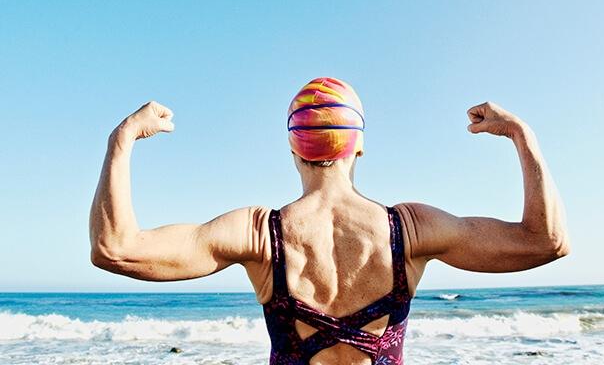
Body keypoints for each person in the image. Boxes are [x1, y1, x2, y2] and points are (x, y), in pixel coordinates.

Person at [89, 77, 569, 365]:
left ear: (293, 147)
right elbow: (545, 242)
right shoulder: (412, 229)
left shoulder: (258, 234)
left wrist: (122, 139)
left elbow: (115, 248)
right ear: (359, 144)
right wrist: (520, 135)